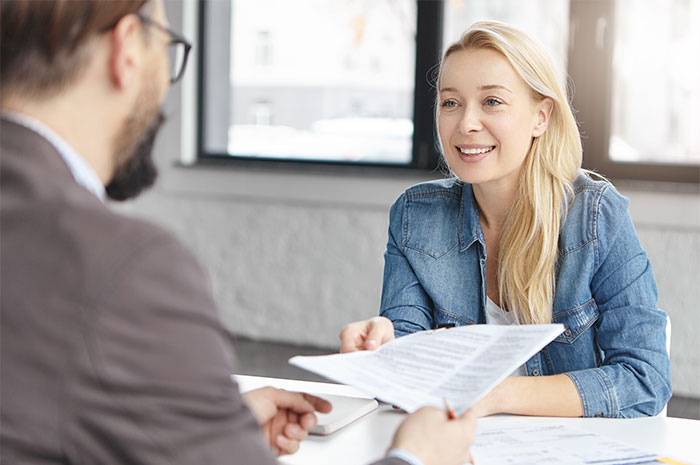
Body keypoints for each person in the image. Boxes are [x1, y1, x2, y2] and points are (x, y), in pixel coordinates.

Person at [0, 1, 475, 465]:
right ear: (126, 49)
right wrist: (416, 457)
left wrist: (198, 426)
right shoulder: (122, 267)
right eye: (168, 48)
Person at [340, 21, 672, 419]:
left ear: (541, 117)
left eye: (492, 102)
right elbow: (408, 370)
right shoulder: (415, 215)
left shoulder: (597, 215)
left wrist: (495, 394)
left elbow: (645, 379)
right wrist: (381, 350)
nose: (466, 124)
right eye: (451, 102)